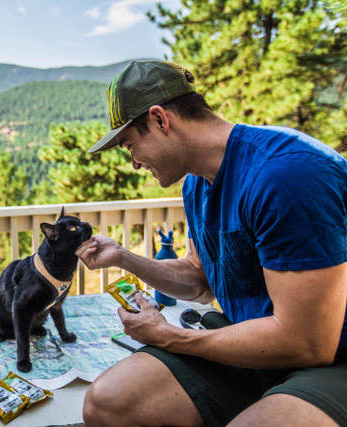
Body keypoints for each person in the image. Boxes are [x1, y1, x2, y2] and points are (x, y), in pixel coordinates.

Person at [75, 60, 347, 426]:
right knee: (106, 402)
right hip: (250, 348)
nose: (135, 163)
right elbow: (199, 280)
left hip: (330, 359)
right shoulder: (195, 183)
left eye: (130, 145)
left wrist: (170, 337)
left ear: (160, 119)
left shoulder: (286, 175)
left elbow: (307, 342)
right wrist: (124, 257)